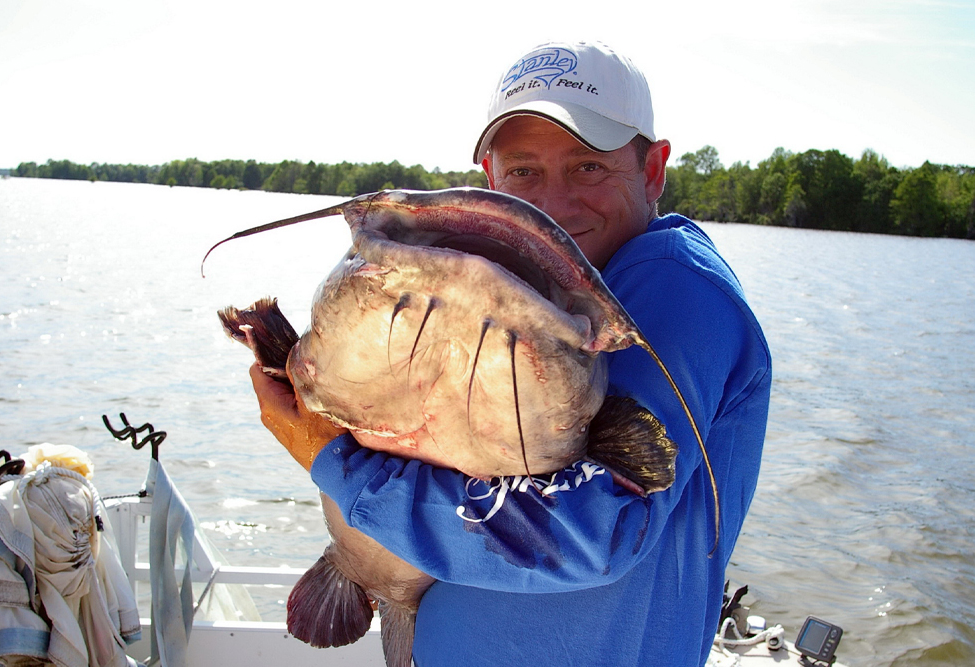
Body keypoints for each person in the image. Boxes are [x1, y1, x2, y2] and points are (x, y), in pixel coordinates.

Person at [250, 40, 771, 666]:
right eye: (524, 171)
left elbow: (595, 530)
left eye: (589, 167)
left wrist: (329, 458)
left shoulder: (673, 285)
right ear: (490, 176)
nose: (553, 202)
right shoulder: (498, 283)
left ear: (653, 170)